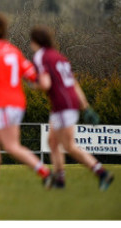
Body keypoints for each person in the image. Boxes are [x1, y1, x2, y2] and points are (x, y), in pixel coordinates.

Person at [0, 14, 52, 190]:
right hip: (17, 103)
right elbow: (31, 74)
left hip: (5, 105)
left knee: (11, 147)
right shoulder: (14, 51)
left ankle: (44, 172)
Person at [30, 25, 114, 191]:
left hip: (62, 105)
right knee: (52, 142)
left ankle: (101, 173)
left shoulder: (41, 56)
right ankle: (60, 179)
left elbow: (45, 84)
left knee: (69, 146)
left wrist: (32, 84)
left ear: (35, 42)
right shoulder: (60, 57)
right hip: (68, 103)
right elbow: (73, 84)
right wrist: (86, 107)